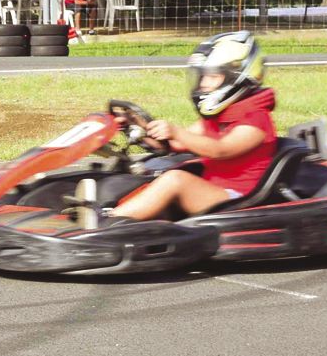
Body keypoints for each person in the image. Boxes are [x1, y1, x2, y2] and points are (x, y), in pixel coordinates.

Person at [104, 32, 276, 222]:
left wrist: (176, 131)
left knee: (175, 179)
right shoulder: (220, 116)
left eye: (212, 77)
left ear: (237, 77)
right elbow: (175, 145)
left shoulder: (257, 120)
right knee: (158, 172)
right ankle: (107, 207)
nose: (203, 84)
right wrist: (136, 124)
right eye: (203, 77)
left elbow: (221, 150)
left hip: (239, 199)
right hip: (213, 189)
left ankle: (109, 221)